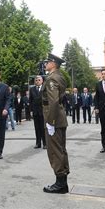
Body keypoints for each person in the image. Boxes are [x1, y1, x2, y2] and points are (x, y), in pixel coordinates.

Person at [42, 54, 69, 194]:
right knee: (61, 150)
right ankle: (62, 182)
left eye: (48, 61)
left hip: (54, 119)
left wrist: (50, 122)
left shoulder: (52, 78)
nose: (45, 63)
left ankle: (60, 184)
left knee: (55, 151)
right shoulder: (59, 76)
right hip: (59, 118)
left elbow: (53, 102)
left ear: (54, 64)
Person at [29, 75, 46, 149]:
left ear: (42, 81)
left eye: (39, 80)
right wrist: (31, 110)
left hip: (43, 111)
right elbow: (30, 100)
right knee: (37, 128)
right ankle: (38, 143)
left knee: (43, 128)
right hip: (35, 111)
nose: (37, 81)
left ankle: (45, 143)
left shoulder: (45, 89)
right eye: (36, 80)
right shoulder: (32, 89)